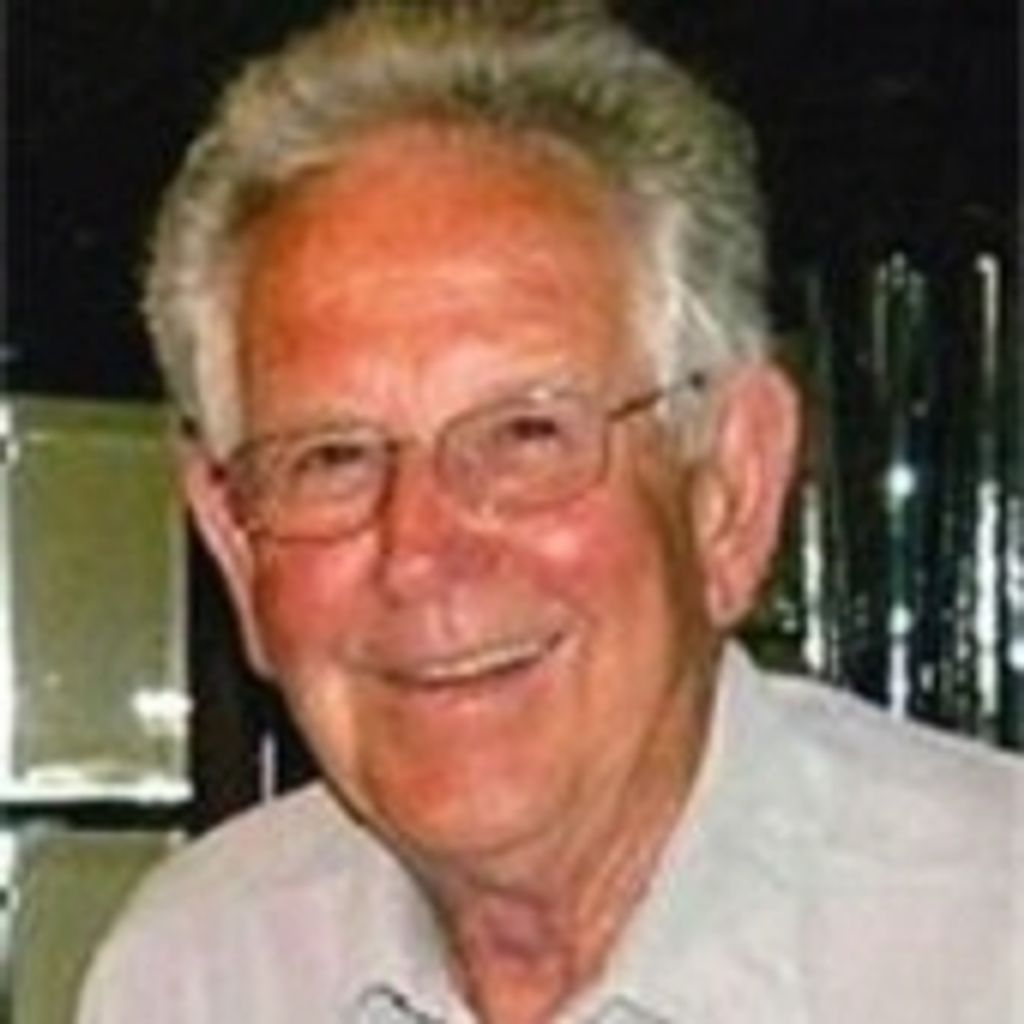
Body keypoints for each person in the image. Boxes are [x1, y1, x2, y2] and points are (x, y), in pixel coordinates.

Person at [78, 2, 1022, 1022]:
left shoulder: (985, 954)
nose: (419, 552)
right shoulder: (197, 975)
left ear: (731, 488)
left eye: (526, 435)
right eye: (332, 458)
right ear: (233, 541)